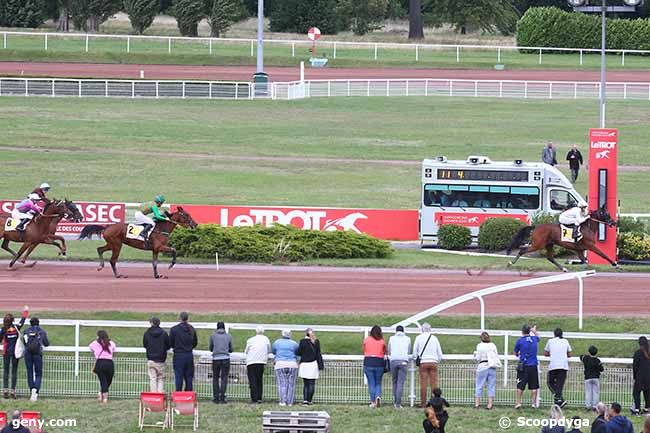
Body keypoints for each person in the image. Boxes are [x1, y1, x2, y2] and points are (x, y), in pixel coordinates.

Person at [413, 323, 443, 408]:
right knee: (434, 384)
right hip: (433, 362)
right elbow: (440, 353)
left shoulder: (418, 338)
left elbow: (415, 352)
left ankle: (423, 403)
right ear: (430, 329)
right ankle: (434, 403)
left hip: (423, 362)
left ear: (422, 329)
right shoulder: (434, 338)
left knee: (423, 383)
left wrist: (416, 359)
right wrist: (437, 360)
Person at [1, 306, 28, 400]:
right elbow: (22, 321)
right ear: (12, 320)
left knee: (6, 371)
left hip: (6, 353)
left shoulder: (3, 330)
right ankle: (13, 390)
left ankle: (5, 390)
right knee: (14, 371)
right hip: (15, 353)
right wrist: (25, 312)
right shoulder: (16, 328)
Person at [169, 312, 197, 392]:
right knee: (189, 377)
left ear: (179, 318)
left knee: (179, 376)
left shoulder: (174, 329)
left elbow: (171, 343)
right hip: (189, 355)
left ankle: (178, 395)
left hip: (178, 355)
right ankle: (188, 395)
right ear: (187, 318)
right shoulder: (191, 328)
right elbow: (195, 343)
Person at [23, 317, 49, 402]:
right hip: (37, 354)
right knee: (38, 373)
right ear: (38, 323)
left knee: (29, 372)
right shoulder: (41, 331)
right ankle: (36, 391)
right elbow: (46, 343)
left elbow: (25, 342)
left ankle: (31, 390)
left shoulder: (26, 331)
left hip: (28, 353)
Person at [514, 324, 540, 409]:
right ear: (529, 331)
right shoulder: (534, 339)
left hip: (524, 366)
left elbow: (516, 353)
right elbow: (538, 336)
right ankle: (533, 403)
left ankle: (518, 403)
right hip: (533, 365)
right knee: (534, 386)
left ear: (522, 332)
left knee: (520, 385)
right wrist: (534, 331)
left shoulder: (520, 341)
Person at [545, 328, 572, 408]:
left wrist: (553, 353)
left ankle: (559, 400)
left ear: (554, 334)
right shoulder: (565, 341)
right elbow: (570, 354)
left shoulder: (550, 341)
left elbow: (546, 353)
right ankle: (560, 400)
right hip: (563, 366)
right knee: (559, 385)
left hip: (553, 366)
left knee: (550, 382)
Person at [143, 316, 170, 393]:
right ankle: (160, 395)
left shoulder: (147, 333)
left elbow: (145, 345)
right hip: (161, 359)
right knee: (161, 378)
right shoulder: (164, 333)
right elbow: (168, 346)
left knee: (152, 378)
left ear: (151, 323)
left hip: (151, 359)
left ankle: (154, 396)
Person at [297, 328, 324, 406]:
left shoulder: (302, 342)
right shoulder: (316, 341)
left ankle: (305, 400)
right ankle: (310, 400)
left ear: (305, 333)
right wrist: (321, 365)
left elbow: (299, 353)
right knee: (312, 383)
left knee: (306, 384)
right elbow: (318, 354)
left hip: (305, 364)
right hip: (313, 364)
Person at [272, 329, 299, 407]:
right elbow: (297, 352)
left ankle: (282, 401)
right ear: (290, 335)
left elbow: (274, 351)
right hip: (292, 364)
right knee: (291, 384)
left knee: (282, 384)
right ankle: (290, 402)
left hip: (280, 364)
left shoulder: (277, 342)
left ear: (282, 334)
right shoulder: (294, 343)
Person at [474, 331, 500, 410]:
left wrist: (475, 354)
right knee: (491, 386)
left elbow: (478, 358)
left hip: (482, 366)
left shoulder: (480, 346)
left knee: (479, 385)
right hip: (492, 366)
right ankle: (490, 404)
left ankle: (477, 404)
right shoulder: (493, 345)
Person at [245, 326, 271, 404]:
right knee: (259, 380)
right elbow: (269, 349)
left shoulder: (250, 340)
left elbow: (246, 351)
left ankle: (254, 398)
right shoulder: (266, 339)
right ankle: (259, 397)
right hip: (261, 362)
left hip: (251, 361)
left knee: (252, 380)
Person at [89, 330, 116, 404]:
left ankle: (101, 393)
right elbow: (114, 348)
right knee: (108, 380)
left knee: (103, 381)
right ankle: (105, 398)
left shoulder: (95, 343)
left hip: (100, 363)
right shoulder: (111, 343)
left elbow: (90, 347)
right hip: (109, 363)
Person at [363, 325, 386, 408]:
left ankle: (373, 401)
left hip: (368, 362)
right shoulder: (382, 341)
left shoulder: (367, 340)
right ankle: (378, 396)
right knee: (378, 383)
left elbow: (364, 350)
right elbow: (384, 351)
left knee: (371, 383)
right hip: (379, 362)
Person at [388, 325, 411, 408]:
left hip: (393, 360)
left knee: (394, 381)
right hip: (403, 361)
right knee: (400, 383)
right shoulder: (407, 339)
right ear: (403, 331)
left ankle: (395, 401)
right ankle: (398, 403)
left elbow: (389, 350)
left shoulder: (391, 338)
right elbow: (408, 350)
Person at [209, 322, 233, 404]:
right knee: (224, 378)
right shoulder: (228, 336)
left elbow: (211, 348)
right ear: (224, 328)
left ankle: (216, 398)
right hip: (225, 358)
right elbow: (231, 349)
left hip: (216, 359)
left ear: (217, 328)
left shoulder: (213, 336)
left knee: (215, 378)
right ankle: (222, 397)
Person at [580, 346, 604, 411]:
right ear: (596, 353)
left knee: (588, 392)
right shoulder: (597, 360)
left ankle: (587, 406)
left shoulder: (586, 358)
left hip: (587, 378)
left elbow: (581, 356)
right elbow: (601, 369)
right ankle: (595, 406)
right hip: (596, 378)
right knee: (595, 392)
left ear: (589, 352)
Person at [632, 337, 650, 415]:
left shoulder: (637, 353)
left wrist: (634, 376)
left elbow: (635, 366)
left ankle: (637, 409)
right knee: (647, 393)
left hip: (640, 376)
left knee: (636, 393)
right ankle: (647, 409)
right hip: (648, 377)